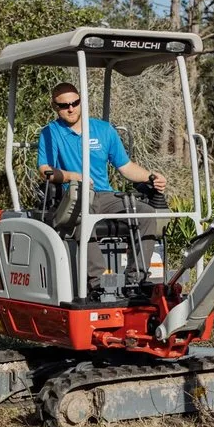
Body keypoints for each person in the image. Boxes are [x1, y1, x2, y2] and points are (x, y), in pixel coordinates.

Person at [37, 82, 167, 291]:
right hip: (74, 195)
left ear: (81, 102)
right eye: (64, 106)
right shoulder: (50, 133)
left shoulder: (103, 130)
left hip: (105, 195)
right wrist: (74, 176)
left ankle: (137, 279)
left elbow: (125, 167)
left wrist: (151, 176)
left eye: (75, 103)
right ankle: (100, 284)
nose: (70, 108)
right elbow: (45, 169)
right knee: (82, 217)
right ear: (55, 107)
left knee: (146, 213)